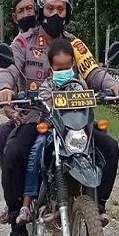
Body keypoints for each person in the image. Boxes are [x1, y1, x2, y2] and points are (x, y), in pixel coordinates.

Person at [0, 0, 119, 236]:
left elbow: (93, 72)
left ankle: (96, 212)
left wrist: (113, 86)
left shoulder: (75, 45)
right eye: (50, 9)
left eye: (61, 9)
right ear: (41, 9)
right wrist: (3, 89)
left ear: (68, 11)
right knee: (15, 153)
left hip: (74, 120)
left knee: (109, 148)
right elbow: (8, 70)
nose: (55, 15)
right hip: (36, 119)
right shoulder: (23, 42)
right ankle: (17, 225)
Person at [16, 37, 81, 224]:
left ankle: (96, 207)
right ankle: (26, 205)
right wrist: (54, 98)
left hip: (74, 133)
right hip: (52, 132)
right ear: (51, 70)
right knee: (36, 152)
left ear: (74, 65)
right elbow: (47, 102)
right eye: (59, 69)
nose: (64, 72)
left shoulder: (79, 86)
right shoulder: (47, 86)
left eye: (67, 68)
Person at [0, 0, 38, 224]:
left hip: (64, 116)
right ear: (15, 17)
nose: (26, 14)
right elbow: (6, 72)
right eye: (21, 10)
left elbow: (86, 70)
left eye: (31, 8)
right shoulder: (18, 45)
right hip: (28, 114)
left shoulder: (66, 40)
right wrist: (6, 99)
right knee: (3, 138)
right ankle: (16, 203)